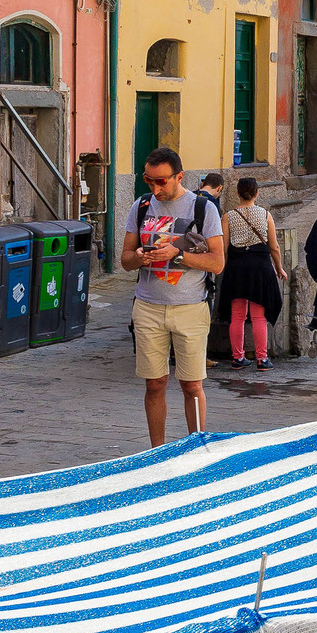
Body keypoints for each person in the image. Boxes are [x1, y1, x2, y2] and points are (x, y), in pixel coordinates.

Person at [121, 147, 225, 446]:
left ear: (179, 177)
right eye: (149, 180)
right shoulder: (141, 206)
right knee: (154, 384)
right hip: (148, 307)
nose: (155, 189)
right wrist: (139, 257)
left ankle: (197, 449)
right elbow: (125, 260)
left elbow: (217, 263)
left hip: (190, 307)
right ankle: (157, 452)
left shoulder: (203, 209)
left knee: (192, 385)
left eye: (161, 181)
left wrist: (177, 255)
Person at [221, 173, 285, 370]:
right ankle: (262, 359)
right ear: (256, 193)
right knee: (259, 316)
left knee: (237, 315)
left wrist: (222, 269)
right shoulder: (265, 215)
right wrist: (279, 267)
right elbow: (274, 247)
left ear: (238, 194)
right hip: (260, 267)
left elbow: (224, 247)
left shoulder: (228, 217)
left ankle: (237, 358)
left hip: (237, 267)